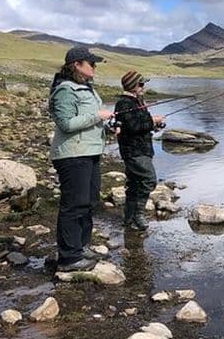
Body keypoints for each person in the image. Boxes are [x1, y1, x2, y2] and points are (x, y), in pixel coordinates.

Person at [48, 46, 113, 272]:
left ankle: (82, 246)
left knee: (89, 203)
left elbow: (89, 121)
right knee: (74, 205)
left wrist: (108, 127)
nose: (94, 67)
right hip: (72, 154)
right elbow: (66, 124)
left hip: (90, 152)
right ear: (76, 64)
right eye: (91, 63)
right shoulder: (65, 90)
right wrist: (97, 115)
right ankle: (68, 258)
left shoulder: (87, 88)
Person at [114, 70, 165, 231]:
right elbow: (133, 127)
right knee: (149, 180)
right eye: (141, 84)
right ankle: (138, 214)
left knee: (135, 184)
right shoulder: (124, 104)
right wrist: (152, 121)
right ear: (133, 86)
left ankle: (128, 219)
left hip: (142, 149)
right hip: (134, 151)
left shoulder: (137, 101)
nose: (143, 87)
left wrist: (155, 125)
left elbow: (141, 125)